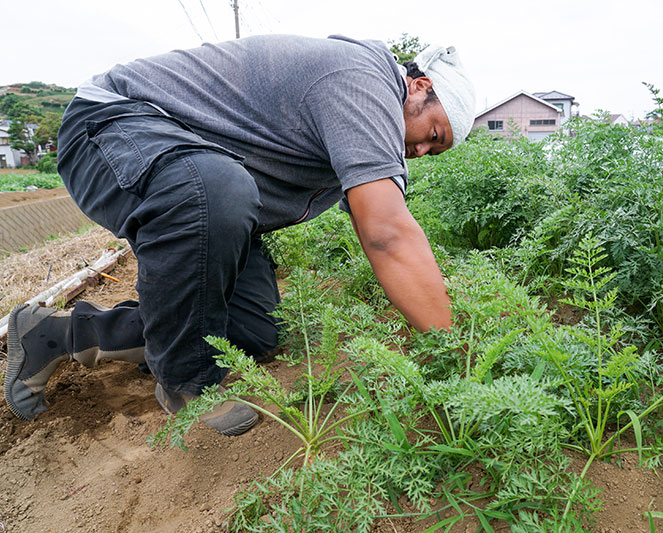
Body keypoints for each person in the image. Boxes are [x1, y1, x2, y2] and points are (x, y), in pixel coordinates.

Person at [3, 34, 475, 436]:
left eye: (433, 151)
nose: (419, 148)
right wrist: (456, 354)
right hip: (111, 129)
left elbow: (380, 218)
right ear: (419, 86)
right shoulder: (363, 80)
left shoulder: (362, 116)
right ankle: (187, 382)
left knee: (250, 332)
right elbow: (387, 234)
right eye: (431, 132)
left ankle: (58, 334)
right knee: (219, 191)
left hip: (198, 175)